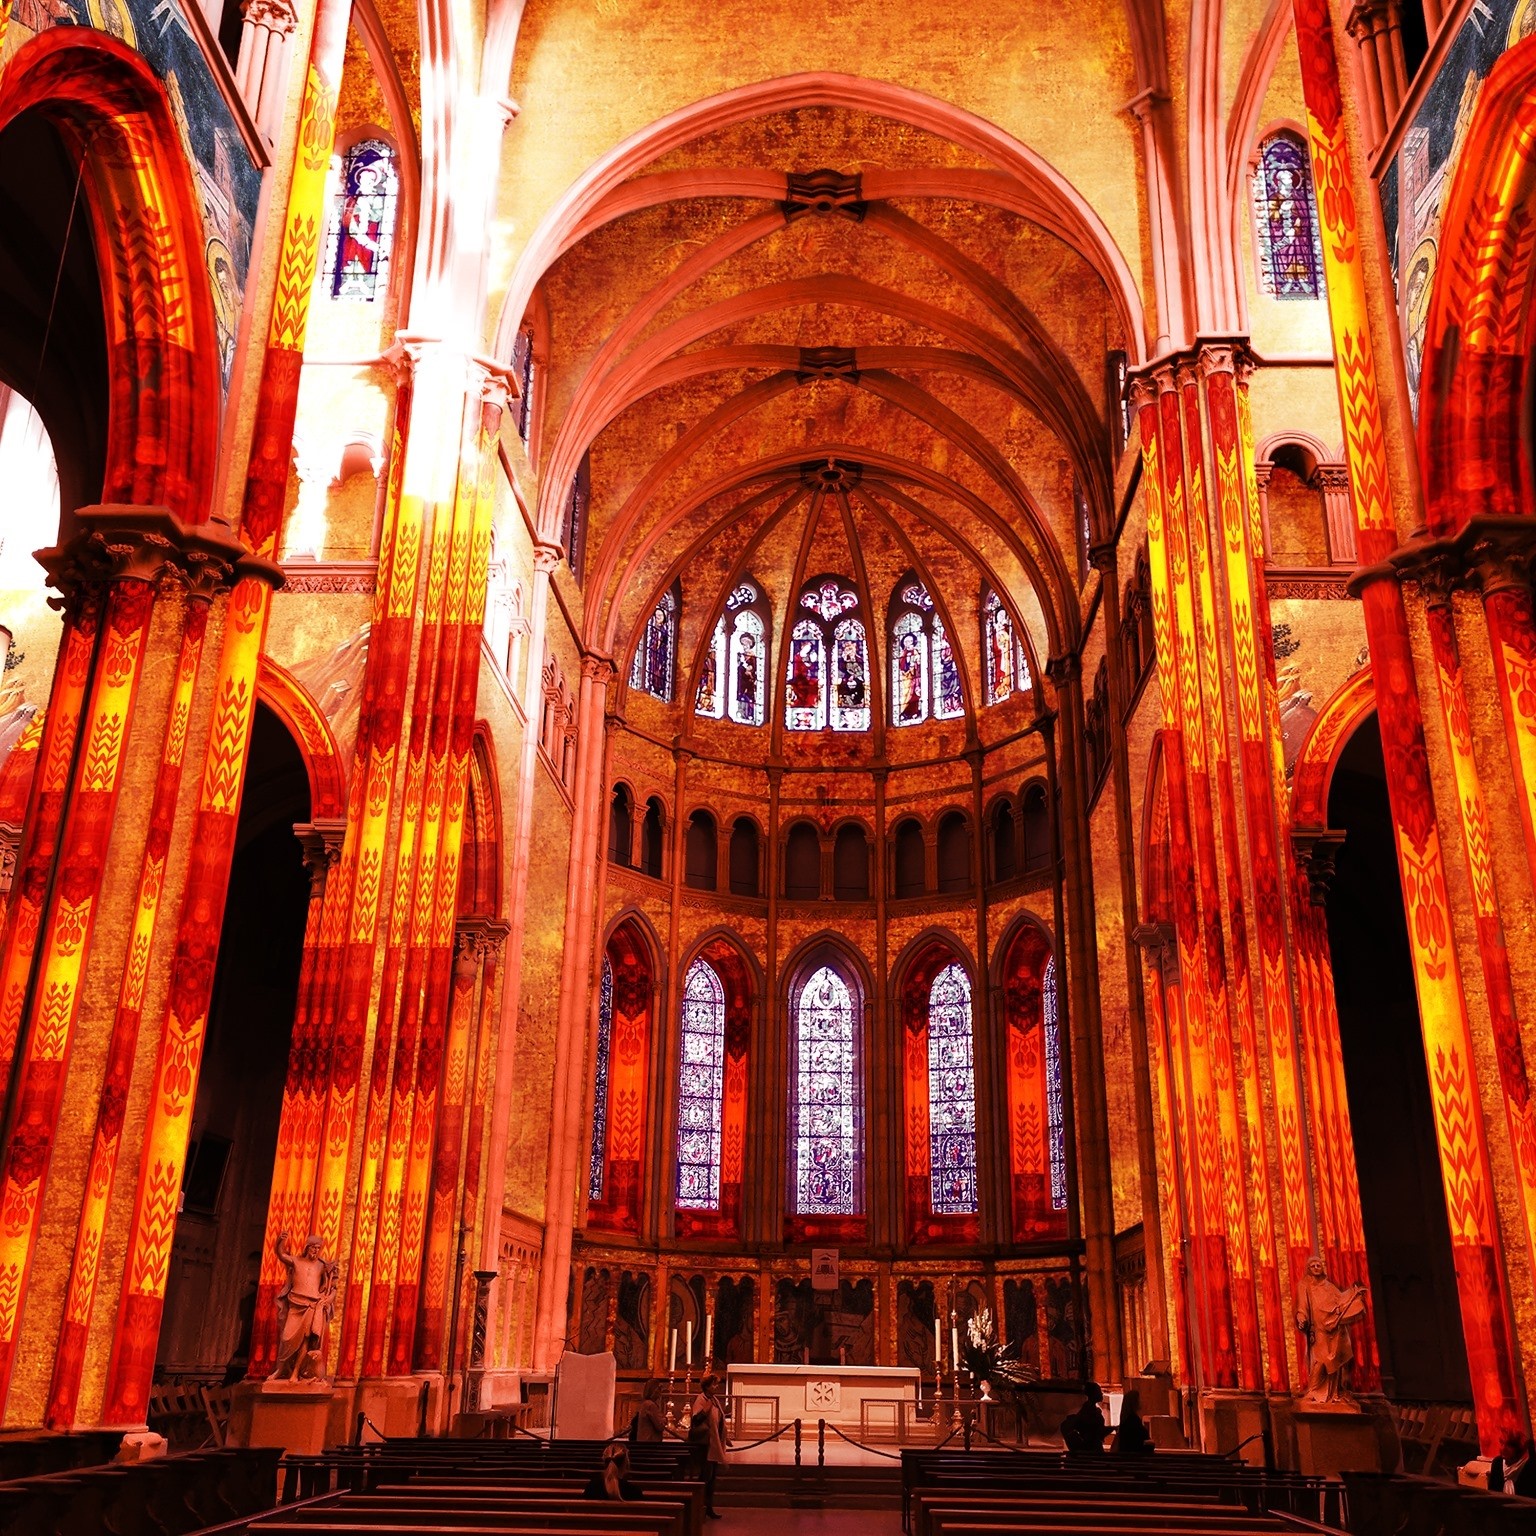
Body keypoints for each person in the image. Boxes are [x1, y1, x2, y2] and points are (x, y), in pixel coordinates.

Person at [689, 1371, 730, 1519]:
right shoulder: (701, 1400)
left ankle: (708, 1507)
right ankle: (699, 1507)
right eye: (714, 1384)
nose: (716, 1387)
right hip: (705, 1445)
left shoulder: (714, 1400)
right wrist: (706, 1408)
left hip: (713, 1443)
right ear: (706, 1386)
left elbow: (719, 1420)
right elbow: (696, 1420)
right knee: (705, 1477)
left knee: (712, 1478)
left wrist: (725, 1436)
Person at [1059, 1382, 1109, 1454]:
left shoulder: (1091, 1408)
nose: (1101, 1394)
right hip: (1091, 1448)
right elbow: (1094, 1430)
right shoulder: (1089, 1409)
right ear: (1093, 1394)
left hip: (1094, 1445)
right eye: (1099, 1391)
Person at [1490, 1433, 1536, 1497]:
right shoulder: (1498, 1462)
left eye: (1509, 1445)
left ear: (1519, 1448)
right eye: (1502, 1443)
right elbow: (1492, 1493)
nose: (1503, 1448)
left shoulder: (1531, 1464)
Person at [1112, 1389, 1154, 1456]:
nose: (1141, 1401)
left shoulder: (1128, 1419)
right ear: (1134, 1402)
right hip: (1134, 1455)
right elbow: (1138, 1439)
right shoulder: (1133, 1420)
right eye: (1139, 1399)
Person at [632, 1378, 668, 1443]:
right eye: (659, 1389)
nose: (660, 1393)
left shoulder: (645, 1404)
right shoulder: (651, 1405)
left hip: (644, 1441)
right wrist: (664, 1420)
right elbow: (660, 1426)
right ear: (654, 1390)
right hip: (650, 1442)